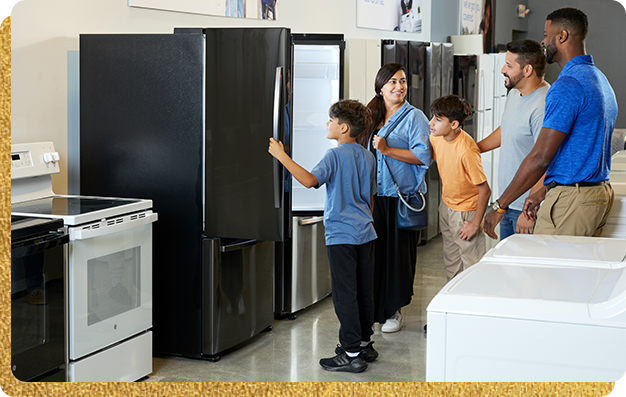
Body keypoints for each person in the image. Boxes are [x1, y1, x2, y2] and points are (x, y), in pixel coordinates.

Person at [483, 7, 617, 238]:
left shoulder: (567, 85)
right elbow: (577, 152)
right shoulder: (598, 79)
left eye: (546, 35)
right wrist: (542, 191)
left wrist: (499, 206)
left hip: (573, 200)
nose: (543, 41)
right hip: (596, 193)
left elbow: (540, 157)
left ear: (562, 36)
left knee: (549, 272)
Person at [268, 99, 378, 373]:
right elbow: (371, 199)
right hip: (366, 232)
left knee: (344, 295)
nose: (327, 124)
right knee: (364, 290)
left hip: (341, 235)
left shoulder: (335, 155)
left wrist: (282, 156)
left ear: (342, 128)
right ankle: (364, 343)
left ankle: (351, 353)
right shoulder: (367, 155)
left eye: (330, 120)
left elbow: (309, 181)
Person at [357, 63, 432, 333]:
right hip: (375, 198)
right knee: (375, 255)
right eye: (392, 82)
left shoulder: (415, 117)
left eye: (402, 81)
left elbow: (424, 156)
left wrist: (387, 150)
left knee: (398, 257)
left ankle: (395, 311)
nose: (399, 87)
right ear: (380, 88)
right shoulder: (372, 115)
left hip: (401, 198)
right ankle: (376, 308)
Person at [477, 39, 550, 240]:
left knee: (524, 270)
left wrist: (529, 211)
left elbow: (545, 160)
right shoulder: (515, 94)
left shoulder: (543, 105)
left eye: (509, 65)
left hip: (525, 208)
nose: (502, 69)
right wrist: (475, 149)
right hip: (508, 201)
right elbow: (507, 129)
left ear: (527, 70)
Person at [429, 95, 491, 281]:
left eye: (438, 120)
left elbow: (485, 190)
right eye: (433, 117)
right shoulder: (437, 137)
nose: (431, 123)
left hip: (467, 212)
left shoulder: (466, 150)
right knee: (451, 261)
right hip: (446, 206)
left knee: (471, 266)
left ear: (454, 124)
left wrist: (474, 224)